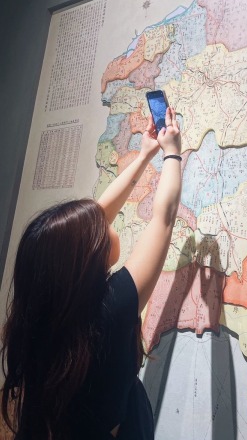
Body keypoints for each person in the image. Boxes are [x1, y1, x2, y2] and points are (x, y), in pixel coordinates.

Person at [1, 106, 182, 439]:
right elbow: (164, 218)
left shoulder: (52, 314)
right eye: (94, 229)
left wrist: (144, 156)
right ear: (83, 259)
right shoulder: (107, 313)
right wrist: (172, 154)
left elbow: (93, 218)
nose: (102, 220)